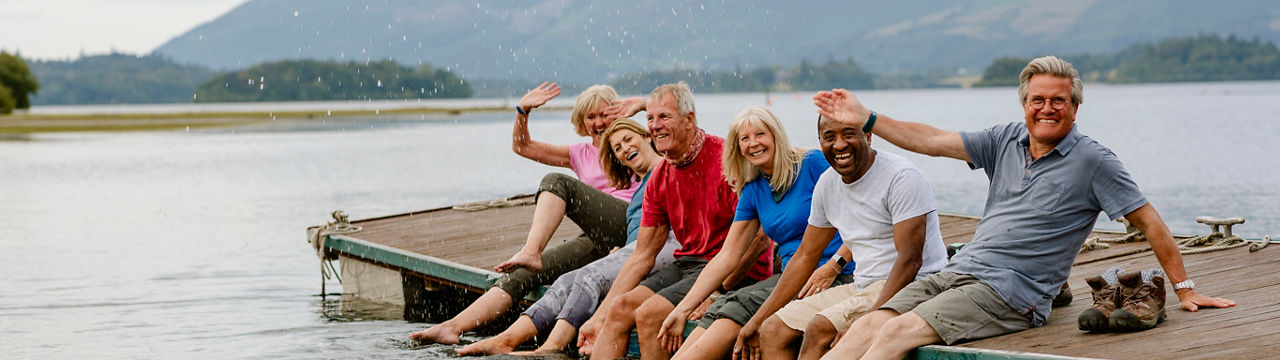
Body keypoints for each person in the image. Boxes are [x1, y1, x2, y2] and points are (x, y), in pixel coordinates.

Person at [811, 55, 1235, 360]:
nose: (1047, 108)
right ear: (1024, 103)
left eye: (1058, 101)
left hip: (1012, 293)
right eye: (1037, 99)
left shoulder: (1094, 161)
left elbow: (1150, 222)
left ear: (1075, 107)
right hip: (959, 272)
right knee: (868, 323)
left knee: (897, 331)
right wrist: (867, 119)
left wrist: (1185, 289)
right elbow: (931, 141)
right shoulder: (1005, 139)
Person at [410, 83, 642, 344]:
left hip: (633, 226)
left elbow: (681, 133)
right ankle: (452, 327)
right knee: (521, 273)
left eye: (605, 114)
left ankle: (531, 250)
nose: (599, 122)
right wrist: (523, 111)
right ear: (582, 122)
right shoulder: (579, 153)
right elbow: (523, 146)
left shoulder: (636, 142)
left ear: (620, 113)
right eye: (591, 117)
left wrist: (644, 105)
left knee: (557, 181)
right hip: (597, 236)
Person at [723, 112, 947, 360]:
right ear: (820, 142)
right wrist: (758, 319)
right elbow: (805, 256)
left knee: (819, 328)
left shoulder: (901, 176)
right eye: (829, 137)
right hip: (863, 283)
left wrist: (869, 321)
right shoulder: (828, 184)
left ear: (868, 136)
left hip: (914, 284)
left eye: (849, 134)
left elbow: (910, 260)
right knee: (773, 329)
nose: (839, 145)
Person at [455, 119, 683, 356]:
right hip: (636, 249)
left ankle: (551, 348)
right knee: (565, 281)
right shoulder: (638, 188)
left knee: (588, 277)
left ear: (647, 137)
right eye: (617, 148)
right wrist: (623, 250)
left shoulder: (670, 169)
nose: (624, 148)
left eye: (628, 139)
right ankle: (505, 339)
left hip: (664, 248)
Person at [583, 82, 774, 359]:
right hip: (689, 263)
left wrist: (716, 292)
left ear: (689, 119)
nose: (655, 126)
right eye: (650, 118)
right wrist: (596, 318)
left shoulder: (726, 160)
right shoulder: (661, 174)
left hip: (736, 272)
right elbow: (642, 255)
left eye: (664, 117)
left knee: (648, 314)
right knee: (620, 308)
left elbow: (760, 239)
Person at [656, 106, 858, 360]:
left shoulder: (812, 164)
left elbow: (861, 220)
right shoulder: (753, 189)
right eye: (744, 138)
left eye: (760, 134)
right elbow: (727, 256)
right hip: (791, 278)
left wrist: (834, 266)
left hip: (836, 276)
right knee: (720, 305)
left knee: (740, 305)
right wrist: (682, 310)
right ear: (737, 147)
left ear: (775, 136)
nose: (753, 144)